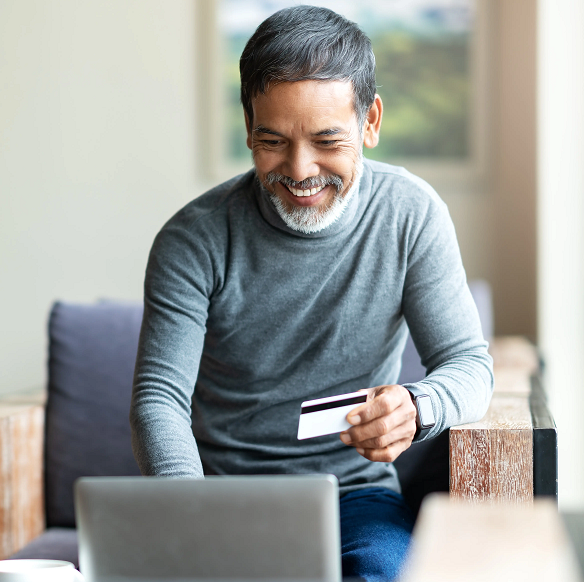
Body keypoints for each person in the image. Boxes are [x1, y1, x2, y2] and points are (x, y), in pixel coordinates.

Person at [128, 5, 493, 581]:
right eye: (272, 141)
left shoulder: (411, 214)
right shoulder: (192, 238)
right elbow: (159, 399)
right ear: (248, 126)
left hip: (354, 495)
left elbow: (470, 366)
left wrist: (419, 407)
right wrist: (190, 516)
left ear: (370, 121)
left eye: (327, 140)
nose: (300, 171)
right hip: (218, 499)